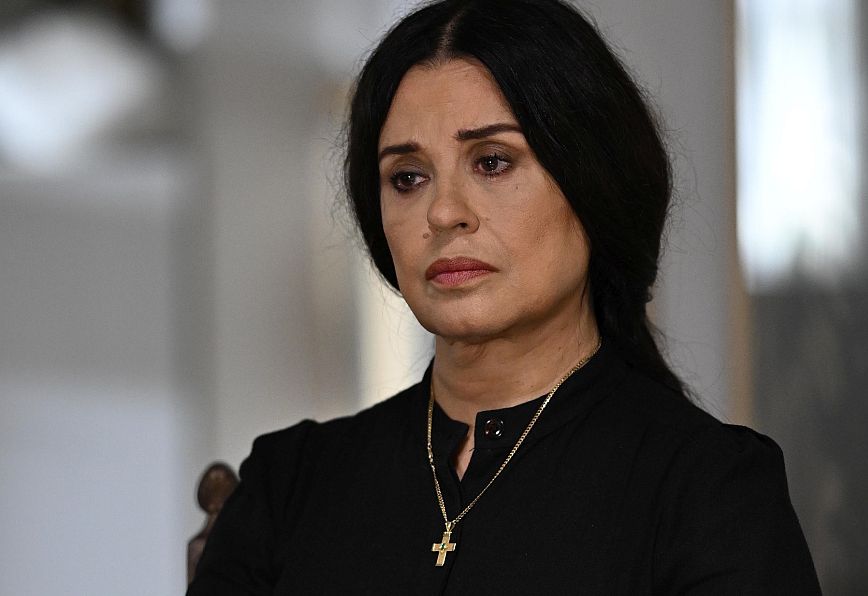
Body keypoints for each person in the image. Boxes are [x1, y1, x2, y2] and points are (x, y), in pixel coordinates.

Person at [188, 0, 822, 593]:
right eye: (407, 177)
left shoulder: (708, 488)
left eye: (492, 162)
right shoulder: (290, 484)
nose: (443, 212)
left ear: (593, 183)